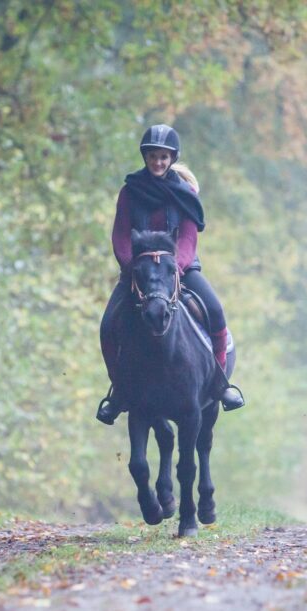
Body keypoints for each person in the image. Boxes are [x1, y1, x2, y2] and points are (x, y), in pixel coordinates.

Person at [96, 124, 245, 425]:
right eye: (153, 156)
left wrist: (173, 269)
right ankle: (119, 392)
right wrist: (132, 266)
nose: (158, 162)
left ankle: (219, 384)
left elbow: (188, 237)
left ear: (172, 158)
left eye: (164, 157)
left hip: (179, 270)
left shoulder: (185, 193)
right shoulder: (130, 191)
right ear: (146, 157)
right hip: (138, 273)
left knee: (215, 311)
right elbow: (121, 235)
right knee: (107, 325)